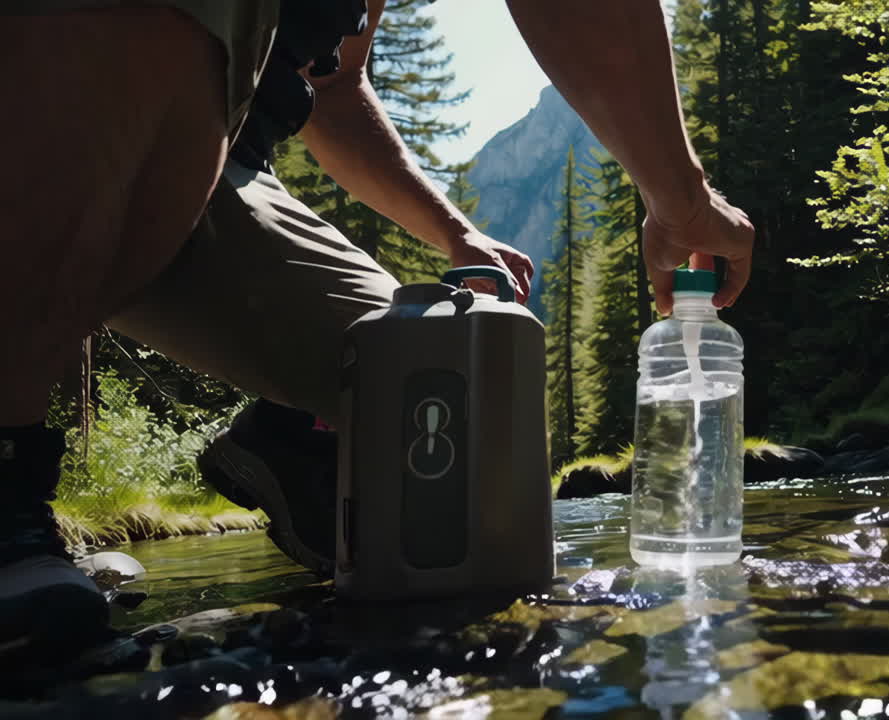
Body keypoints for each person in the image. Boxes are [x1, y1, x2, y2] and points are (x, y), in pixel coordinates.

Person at [0, 0, 754, 660]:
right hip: (48, 81)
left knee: (427, 380)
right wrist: (681, 198)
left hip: (216, 170)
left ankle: (296, 443)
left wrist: (457, 236)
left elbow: (333, 92)